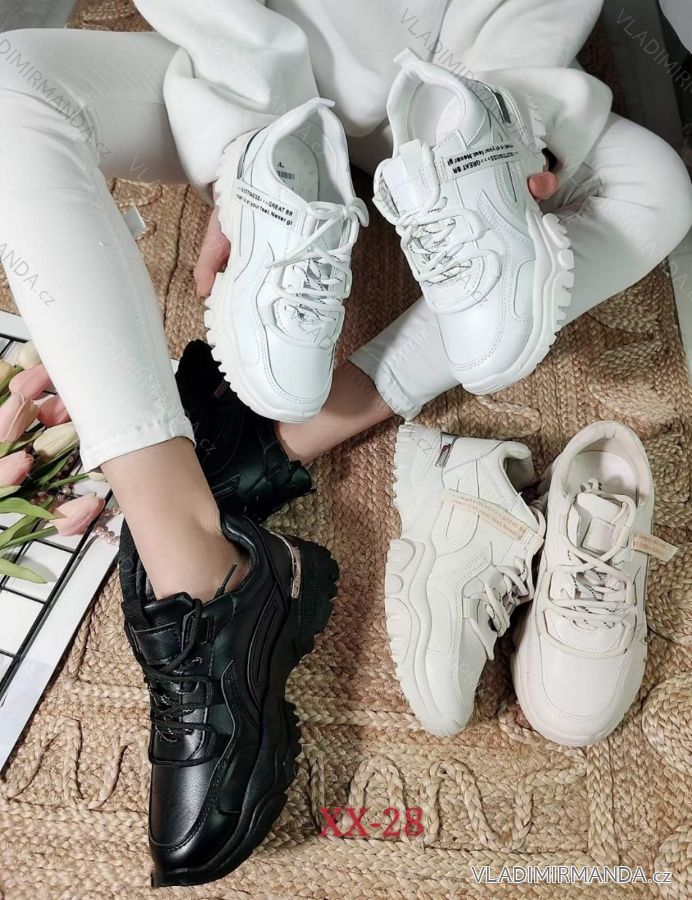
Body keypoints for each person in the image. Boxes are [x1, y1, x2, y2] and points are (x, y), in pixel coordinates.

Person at [0, 0, 690, 887]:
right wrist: (247, 148)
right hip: (251, 63)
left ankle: (281, 434)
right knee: (11, 87)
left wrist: (504, 122)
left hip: (453, 81)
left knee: (655, 187)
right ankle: (190, 554)